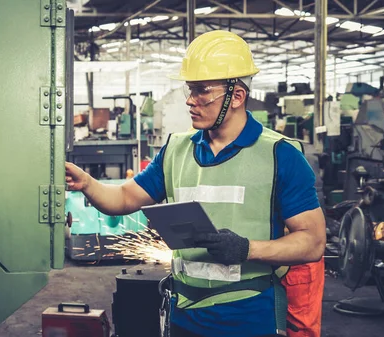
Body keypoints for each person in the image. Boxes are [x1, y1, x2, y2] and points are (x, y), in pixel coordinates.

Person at [65, 30, 326, 337]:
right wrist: (87, 183)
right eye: (190, 90)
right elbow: (124, 197)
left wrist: (246, 249)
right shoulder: (176, 149)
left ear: (237, 96)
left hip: (248, 317)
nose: (191, 101)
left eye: (203, 91)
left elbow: (313, 241)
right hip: (184, 315)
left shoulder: (280, 154)